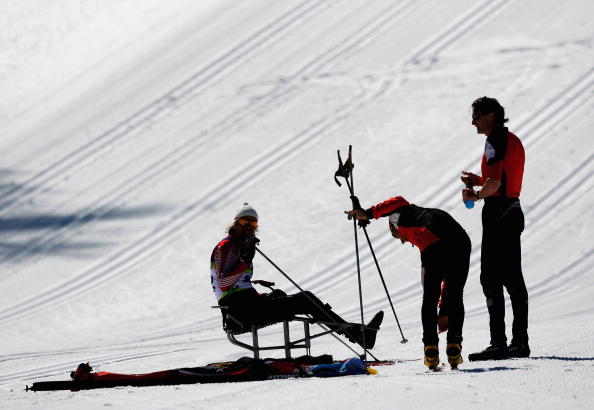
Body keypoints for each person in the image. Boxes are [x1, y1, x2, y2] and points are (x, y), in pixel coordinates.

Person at [210, 202, 384, 350]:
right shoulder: (227, 246)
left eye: (253, 223)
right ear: (235, 224)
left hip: (247, 305)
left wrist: (265, 295)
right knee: (305, 300)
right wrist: (245, 262)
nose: (249, 227)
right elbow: (223, 283)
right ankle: (359, 335)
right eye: (243, 221)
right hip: (239, 313)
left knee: (297, 299)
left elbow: (240, 285)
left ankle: (359, 334)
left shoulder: (241, 247)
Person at [347, 196, 470, 369]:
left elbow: (397, 201)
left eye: (398, 237)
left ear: (394, 226)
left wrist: (368, 214)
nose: (404, 241)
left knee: (429, 298)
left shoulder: (404, 215)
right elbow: (448, 285)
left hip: (434, 241)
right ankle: (454, 346)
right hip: (460, 242)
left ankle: (431, 350)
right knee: (456, 294)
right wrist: (444, 310)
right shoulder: (418, 220)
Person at [461, 96, 530, 361]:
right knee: (513, 278)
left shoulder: (493, 142)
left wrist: (476, 195)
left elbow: (494, 186)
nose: (473, 121)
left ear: (491, 115)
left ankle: (498, 343)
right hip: (512, 209)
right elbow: (501, 179)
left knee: (490, 278)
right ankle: (519, 342)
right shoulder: (510, 138)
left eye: (477, 115)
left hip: (498, 213)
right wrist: (479, 180)